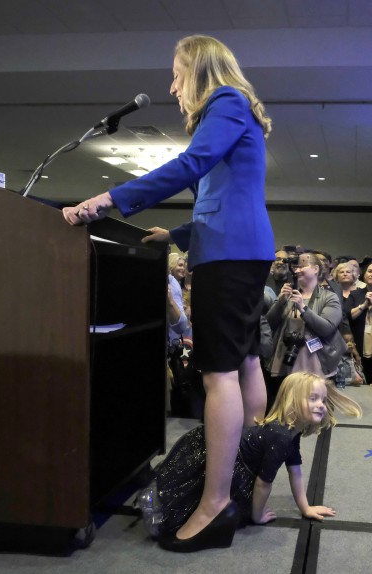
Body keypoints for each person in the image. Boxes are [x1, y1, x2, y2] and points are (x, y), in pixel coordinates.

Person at [62, 35, 275, 549]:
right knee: (245, 363)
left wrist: (112, 198)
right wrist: (175, 236)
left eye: (177, 73)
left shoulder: (224, 101)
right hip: (240, 247)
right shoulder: (235, 108)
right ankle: (243, 482)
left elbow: (191, 166)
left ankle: (215, 503)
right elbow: (224, 195)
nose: (172, 84)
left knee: (218, 373)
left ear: (200, 70)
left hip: (228, 254)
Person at [137, 372, 362, 551]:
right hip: (214, 451)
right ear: (292, 401)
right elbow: (263, 483)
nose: (321, 405)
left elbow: (296, 470)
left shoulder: (291, 434)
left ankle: (158, 505)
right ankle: (156, 505)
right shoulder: (281, 436)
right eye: (313, 399)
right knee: (190, 487)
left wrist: (305, 507)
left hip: (235, 458)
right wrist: (258, 516)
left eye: (323, 399)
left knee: (195, 490)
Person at [266, 253, 346, 407]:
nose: (298, 269)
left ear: (316, 269)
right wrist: (280, 302)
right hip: (286, 362)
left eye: (303, 266)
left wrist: (303, 308)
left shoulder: (329, 297)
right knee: (286, 408)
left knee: (315, 409)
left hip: (315, 363)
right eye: (296, 266)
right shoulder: (288, 296)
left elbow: (327, 328)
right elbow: (268, 325)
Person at [345, 261, 372, 386]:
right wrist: (364, 305)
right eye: (370, 271)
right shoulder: (355, 294)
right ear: (364, 275)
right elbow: (348, 315)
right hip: (358, 343)